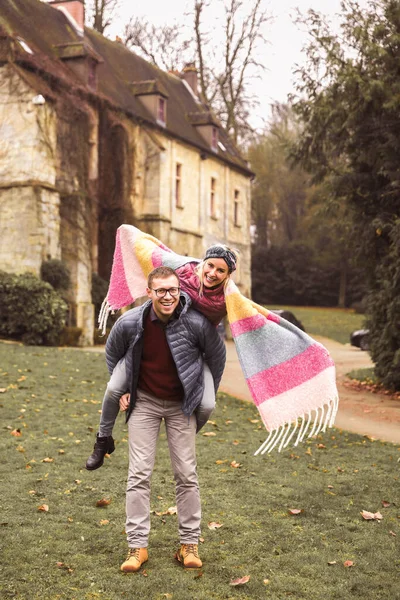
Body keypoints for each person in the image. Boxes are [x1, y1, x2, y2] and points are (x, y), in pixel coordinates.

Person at [105, 266, 226, 571]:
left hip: (180, 406)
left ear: (179, 291)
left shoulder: (196, 323)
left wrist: (203, 392)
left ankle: (188, 545)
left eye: (173, 289)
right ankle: (137, 548)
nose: (168, 296)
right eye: (161, 290)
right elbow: (112, 354)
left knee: (186, 475)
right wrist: (121, 388)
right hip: (143, 402)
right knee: (138, 475)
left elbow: (217, 357)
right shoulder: (131, 321)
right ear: (150, 293)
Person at [85, 243, 237, 471]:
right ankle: (103, 438)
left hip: (195, 346)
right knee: (114, 387)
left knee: (207, 405)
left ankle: (182, 434)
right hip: (155, 333)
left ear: (228, 275)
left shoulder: (230, 297)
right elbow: (152, 254)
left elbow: (244, 328)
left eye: (221, 270)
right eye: (211, 265)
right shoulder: (184, 270)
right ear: (203, 262)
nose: (213, 273)